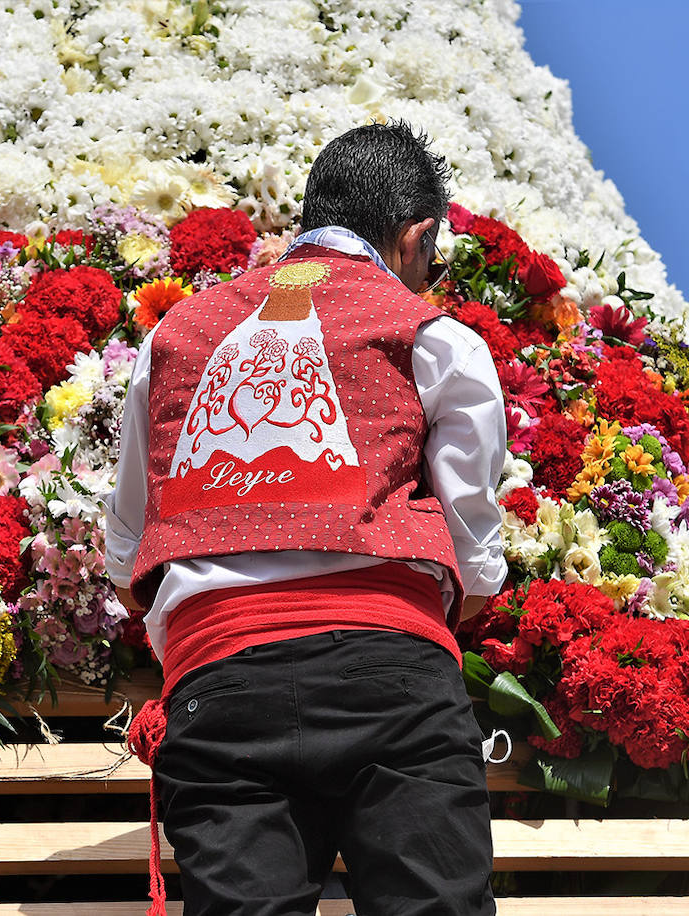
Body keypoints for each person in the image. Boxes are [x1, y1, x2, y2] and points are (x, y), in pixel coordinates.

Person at [105, 121, 507, 916]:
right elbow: (473, 546)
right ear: (418, 234)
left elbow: (126, 548)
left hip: (220, 683)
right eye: (434, 258)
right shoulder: (432, 336)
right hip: (390, 676)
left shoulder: (175, 333)